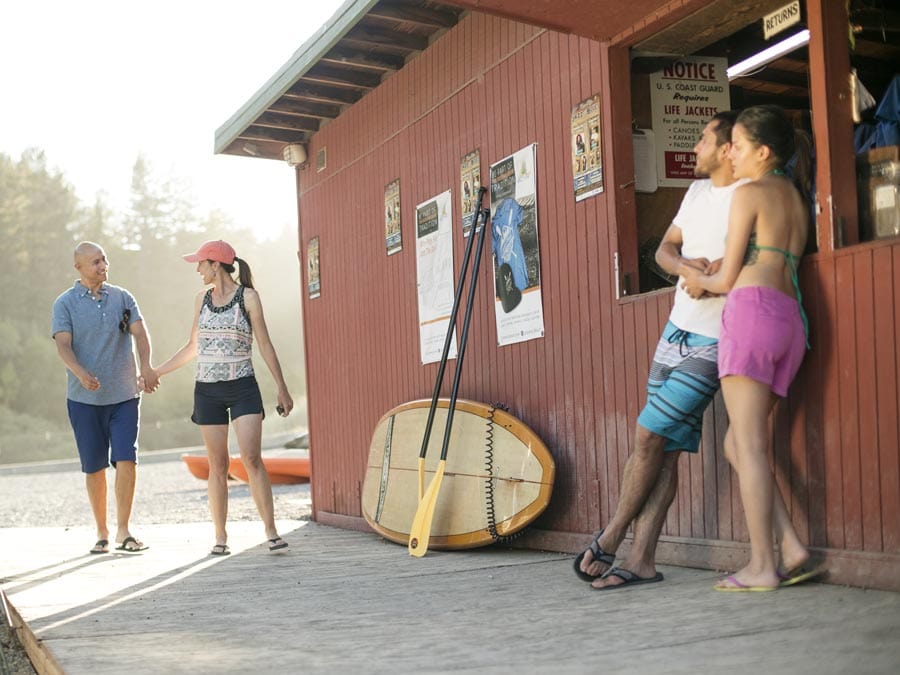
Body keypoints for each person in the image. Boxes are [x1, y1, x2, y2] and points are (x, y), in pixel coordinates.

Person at [574, 111, 743, 590]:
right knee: (663, 452)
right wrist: (689, 268)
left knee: (648, 435)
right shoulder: (696, 193)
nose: (695, 148)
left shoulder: (749, 198)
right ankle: (642, 561)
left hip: (713, 342)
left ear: (729, 148)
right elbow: (664, 251)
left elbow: (743, 264)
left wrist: (706, 278)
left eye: (704, 139)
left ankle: (610, 537)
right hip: (674, 332)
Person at [681, 105, 816, 591]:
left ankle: (763, 566)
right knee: (739, 444)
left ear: (762, 152)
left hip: (752, 314)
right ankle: (791, 544)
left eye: (736, 145)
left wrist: (696, 279)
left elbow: (728, 276)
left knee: (750, 447)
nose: (729, 153)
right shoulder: (796, 198)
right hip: (790, 323)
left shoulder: (749, 193)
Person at [155, 239, 294, 555]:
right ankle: (220, 537)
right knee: (217, 465)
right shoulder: (201, 299)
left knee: (252, 459)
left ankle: (271, 532)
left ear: (215, 264)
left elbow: (265, 345)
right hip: (208, 391)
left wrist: (281, 387)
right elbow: (193, 347)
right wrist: (158, 372)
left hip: (243, 386)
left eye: (200, 263)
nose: (198, 269)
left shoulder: (249, 298)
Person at [51, 241, 159, 554]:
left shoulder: (123, 298)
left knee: (126, 457)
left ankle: (124, 531)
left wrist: (147, 366)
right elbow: (63, 345)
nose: (103, 265)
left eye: (104, 259)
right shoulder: (65, 304)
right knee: (94, 467)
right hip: (83, 400)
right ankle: (102, 531)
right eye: (95, 261)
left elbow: (140, 333)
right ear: (79, 267)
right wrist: (80, 373)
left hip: (125, 394)